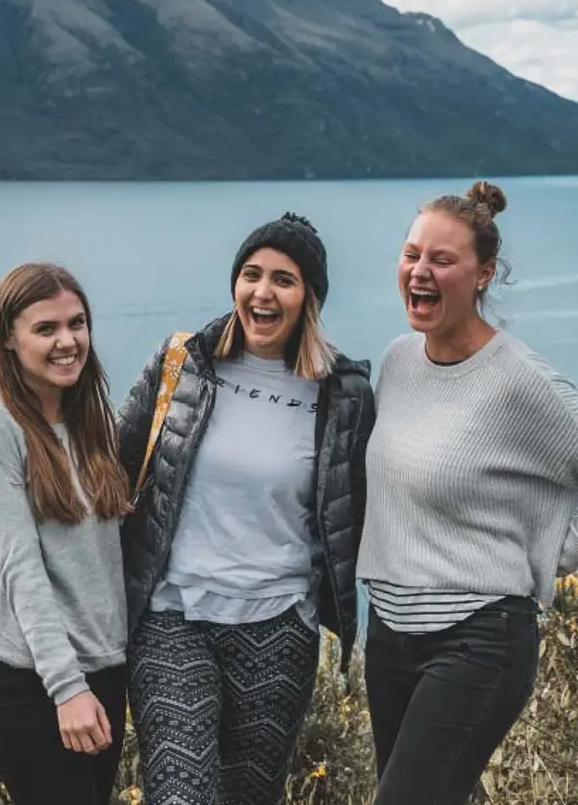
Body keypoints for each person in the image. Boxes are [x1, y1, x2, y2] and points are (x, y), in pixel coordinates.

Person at [356, 181, 578, 805]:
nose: (420, 271)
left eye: (442, 260)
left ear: (484, 274)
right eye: (412, 254)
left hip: (479, 638)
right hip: (389, 632)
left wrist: (552, 558)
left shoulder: (521, 381)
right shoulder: (397, 360)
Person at [116, 212, 376, 805]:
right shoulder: (181, 362)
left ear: (309, 296)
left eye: (283, 279)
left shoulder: (342, 393)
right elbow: (112, 468)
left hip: (278, 628)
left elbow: (364, 507)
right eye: (251, 274)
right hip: (171, 617)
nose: (263, 292)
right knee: (180, 794)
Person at [0, 262, 132, 805]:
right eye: (45, 328)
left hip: (100, 667)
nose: (67, 341)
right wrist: (67, 687)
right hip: (27, 677)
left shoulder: (89, 421)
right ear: (8, 337)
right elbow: (21, 571)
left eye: (77, 323)